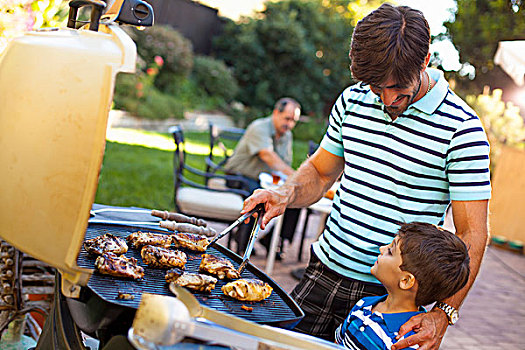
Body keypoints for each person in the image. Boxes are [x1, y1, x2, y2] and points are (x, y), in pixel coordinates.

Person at [241, 4, 491, 349]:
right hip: (322, 273)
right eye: (377, 87)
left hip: (391, 297)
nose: (388, 100)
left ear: (425, 60)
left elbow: (472, 233)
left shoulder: (463, 130)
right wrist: (286, 193)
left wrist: (444, 312)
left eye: (398, 87)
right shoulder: (353, 100)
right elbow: (319, 171)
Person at [335, 222, 470, 349]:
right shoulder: (364, 304)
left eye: (390, 251)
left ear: (405, 281)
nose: (382, 249)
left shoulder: (406, 341)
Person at [224, 97, 302, 257]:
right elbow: (269, 157)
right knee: (258, 195)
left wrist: (293, 185)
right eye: (287, 118)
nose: (290, 124)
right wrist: (298, 178)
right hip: (238, 176)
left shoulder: (287, 136)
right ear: (275, 113)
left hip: (264, 179)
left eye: (294, 121)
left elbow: (284, 163)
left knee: (295, 198)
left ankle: (275, 240)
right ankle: (243, 244)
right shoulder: (259, 127)